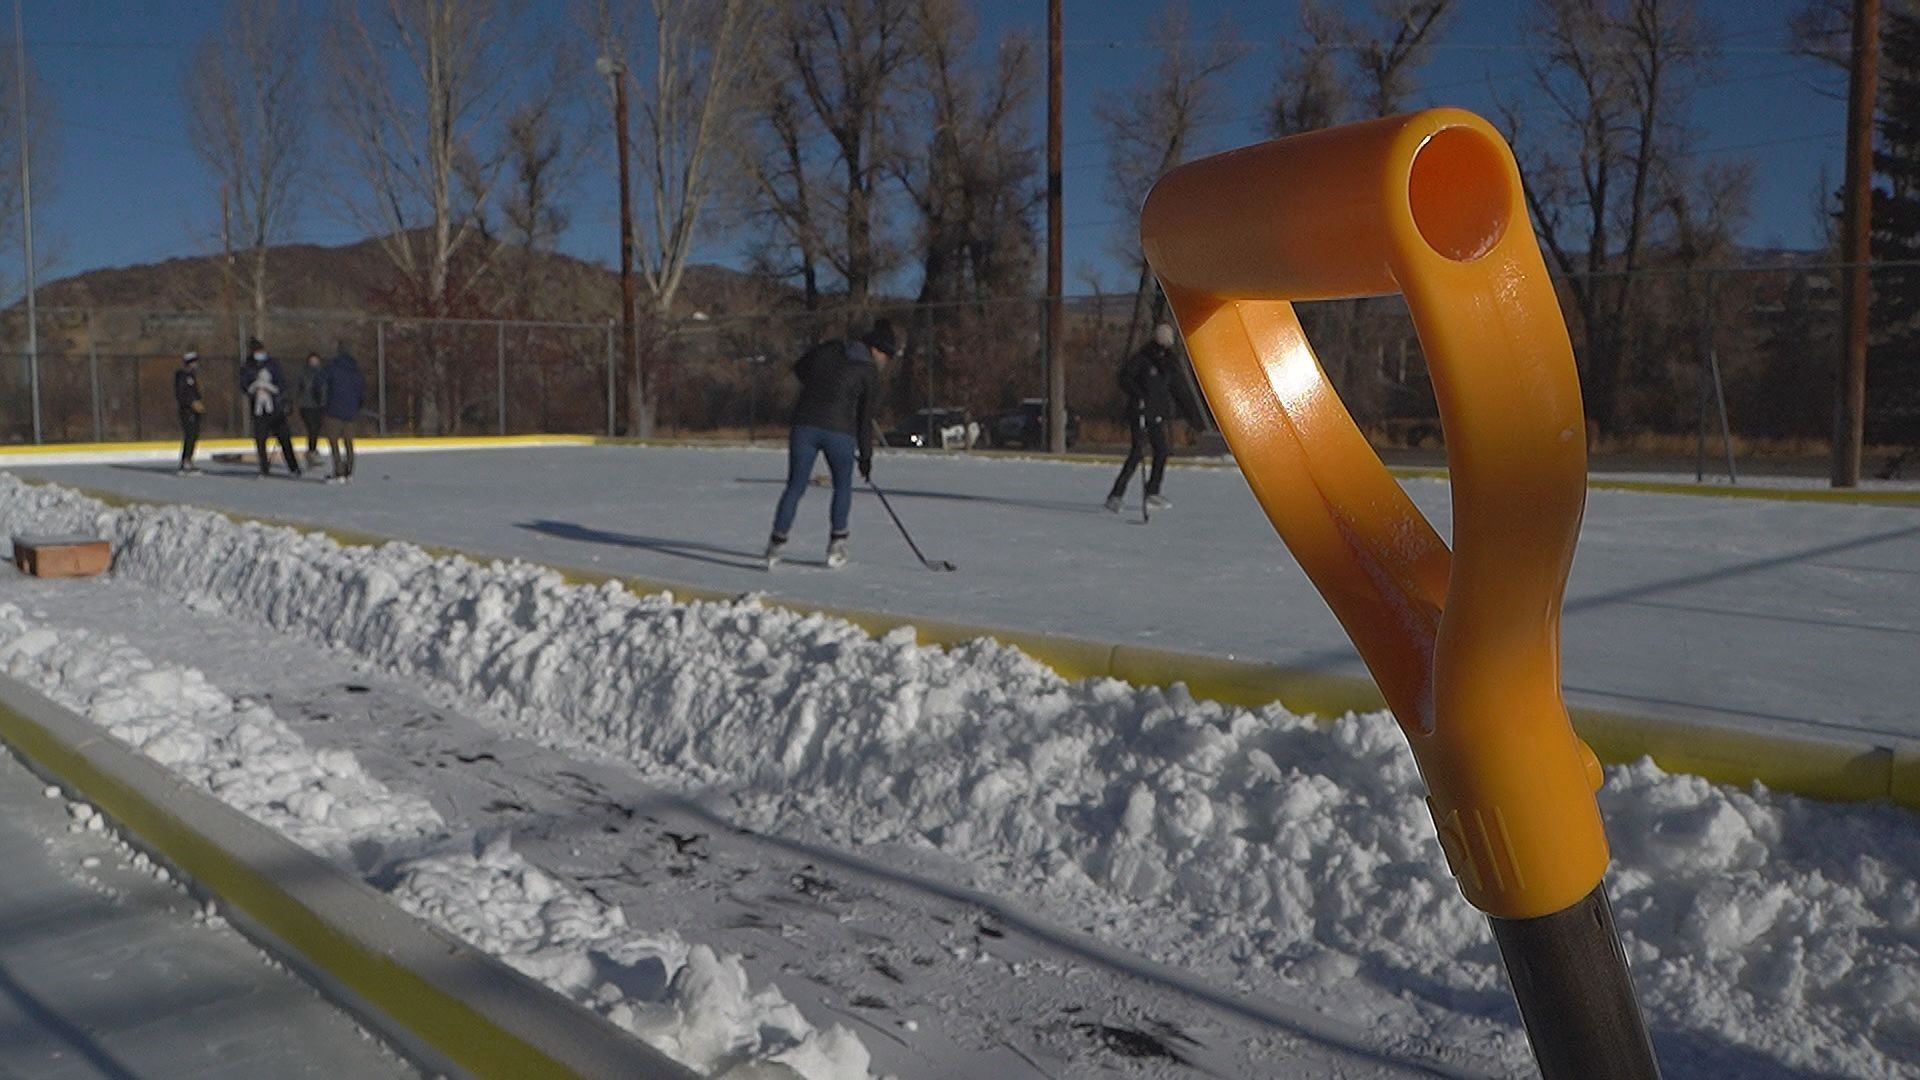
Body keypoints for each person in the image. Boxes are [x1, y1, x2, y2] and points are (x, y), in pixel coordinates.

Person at [765, 318, 894, 569]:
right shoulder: (868, 372)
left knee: (795, 486)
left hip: (805, 424)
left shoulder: (830, 348)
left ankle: (776, 542)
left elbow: (800, 368)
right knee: (842, 486)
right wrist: (866, 458)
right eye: (886, 355)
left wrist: (817, 387)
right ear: (875, 349)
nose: (886, 361)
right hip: (840, 432)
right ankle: (837, 542)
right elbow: (864, 419)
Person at [1106, 322, 1203, 513]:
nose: (1164, 345)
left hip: (1157, 414)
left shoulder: (1169, 363)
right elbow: (1124, 378)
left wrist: (1194, 417)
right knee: (1137, 452)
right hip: (1140, 412)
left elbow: (1179, 390)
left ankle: (1152, 492)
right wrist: (1138, 395)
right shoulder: (1143, 358)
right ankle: (1116, 495)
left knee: (1161, 451)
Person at [238, 337, 301, 478]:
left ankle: (293, 467)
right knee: (260, 440)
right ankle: (264, 468)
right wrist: (253, 388)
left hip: (276, 408)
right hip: (258, 410)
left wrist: (274, 390)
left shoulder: (273, 364)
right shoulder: (248, 366)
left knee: (284, 438)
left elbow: (282, 383)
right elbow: (244, 385)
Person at [322, 343, 365, 484]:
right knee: (349, 443)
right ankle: (349, 472)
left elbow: (321, 386)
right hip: (351, 412)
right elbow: (361, 392)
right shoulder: (355, 370)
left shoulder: (331, 368)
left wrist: (323, 404)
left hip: (333, 411)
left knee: (334, 442)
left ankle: (339, 471)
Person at [295, 351, 330, 468]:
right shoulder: (304, 373)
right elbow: (300, 387)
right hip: (306, 405)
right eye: (312, 361)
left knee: (316, 428)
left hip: (319, 406)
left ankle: (312, 450)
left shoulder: (323, 373)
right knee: (312, 428)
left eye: (316, 360)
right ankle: (311, 451)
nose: (314, 363)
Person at [173, 350, 205, 474]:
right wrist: (192, 403)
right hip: (187, 411)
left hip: (195, 410)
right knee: (189, 435)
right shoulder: (182, 376)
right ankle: (185, 461)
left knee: (194, 435)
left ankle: (189, 460)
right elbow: (181, 394)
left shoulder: (192, 376)